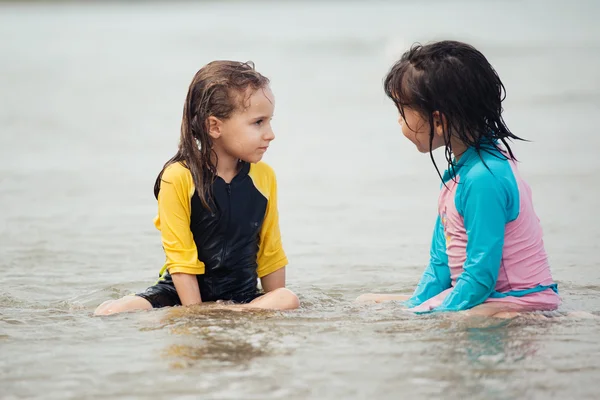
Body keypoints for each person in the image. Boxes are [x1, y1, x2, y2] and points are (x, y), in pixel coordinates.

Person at [357, 41, 560, 318]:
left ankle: (550, 319)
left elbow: (481, 276)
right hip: (484, 294)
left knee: (459, 319)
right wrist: (412, 309)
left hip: (519, 300)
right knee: (367, 301)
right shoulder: (459, 173)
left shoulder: (484, 178)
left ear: (438, 121)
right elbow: (440, 265)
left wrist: (432, 316)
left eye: (402, 112)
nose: (399, 122)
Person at [95, 61, 299, 315]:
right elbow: (181, 261)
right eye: (258, 122)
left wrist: (276, 306)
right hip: (179, 294)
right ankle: (220, 315)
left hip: (242, 297)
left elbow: (271, 254)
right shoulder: (178, 177)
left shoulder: (263, 176)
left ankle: (227, 314)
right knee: (110, 312)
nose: (270, 134)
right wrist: (196, 314)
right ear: (214, 126)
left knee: (286, 298)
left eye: (269, 121)